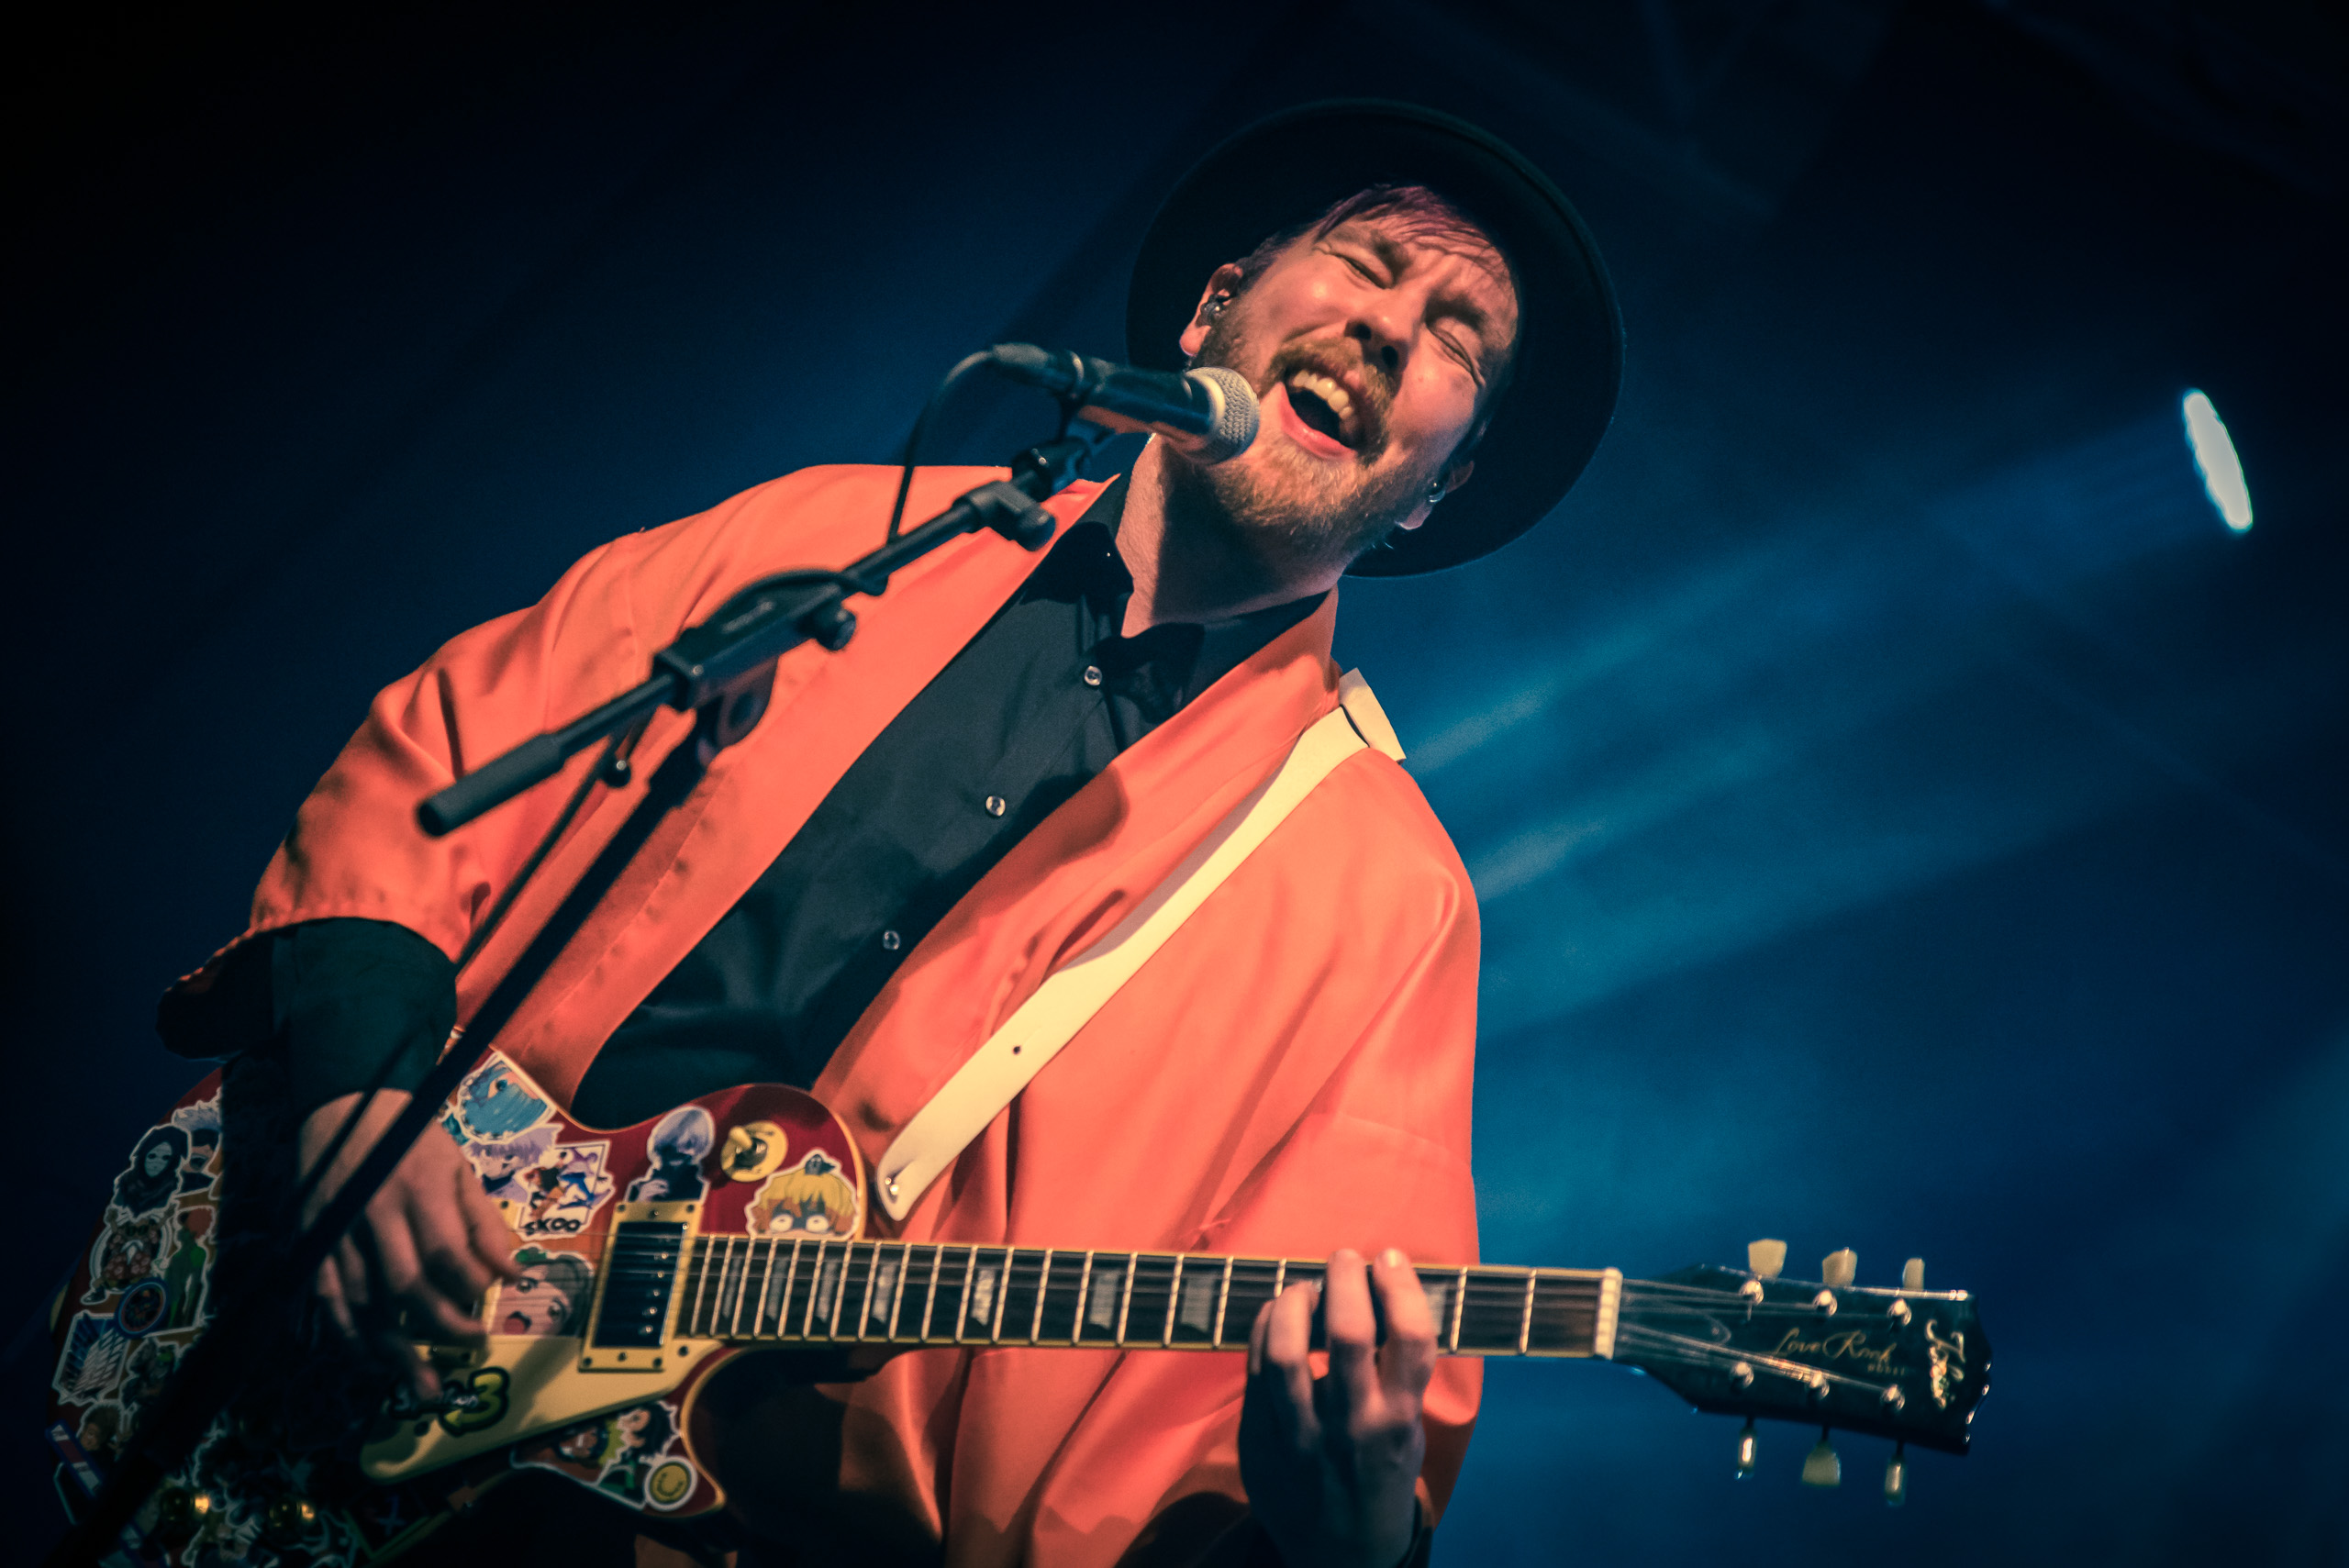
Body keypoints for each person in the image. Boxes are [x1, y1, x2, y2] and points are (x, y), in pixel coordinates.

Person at [158, 102, 1621, 1567]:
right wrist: (363, 1096)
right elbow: (458, 744)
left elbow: (1315, 1388)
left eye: (1456, 339)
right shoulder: (841, 539)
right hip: (337, 1321)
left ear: (1438, 490)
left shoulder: (1386, 894)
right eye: (1367, 263)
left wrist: (1345, 1536)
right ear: (1214, 307)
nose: (1390, 329)